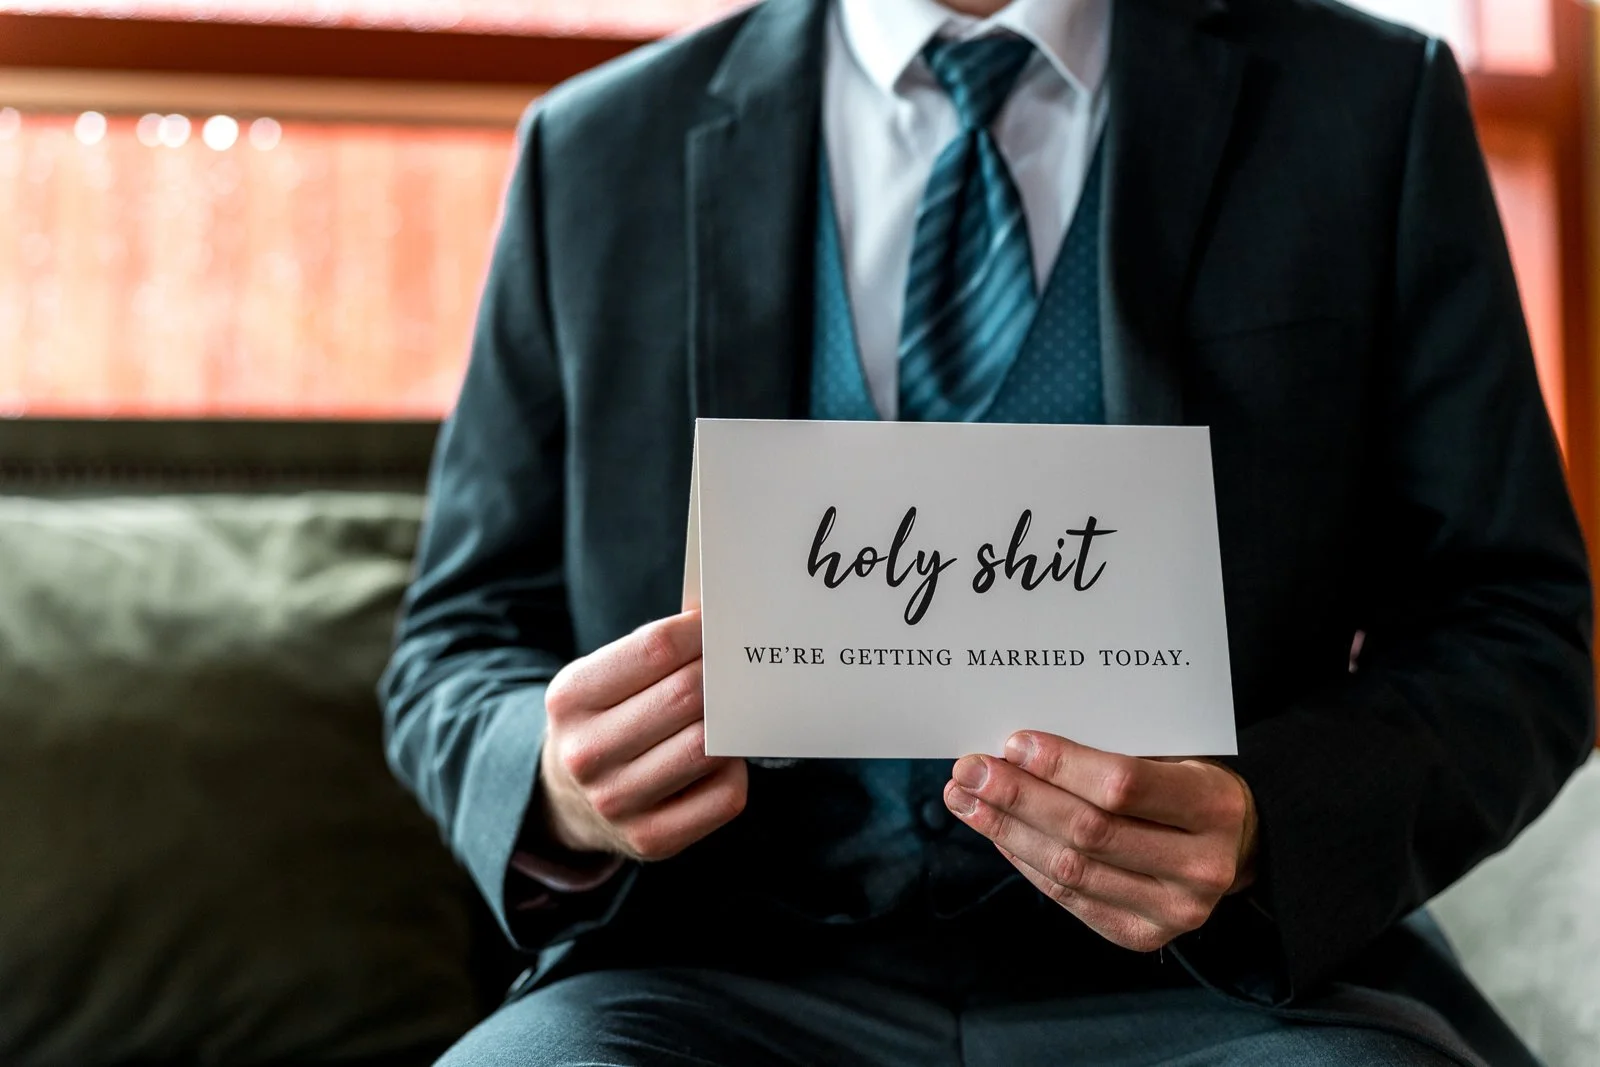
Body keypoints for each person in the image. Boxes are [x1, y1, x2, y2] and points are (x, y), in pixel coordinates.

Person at [379, 0, 1596, 1063]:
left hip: (1227, 989)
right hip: (704, 978)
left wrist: (1267, 823)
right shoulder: (595, 150)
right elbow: (459, 635)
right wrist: (555, 785)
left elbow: (1519, 621)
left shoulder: (1367, 105)